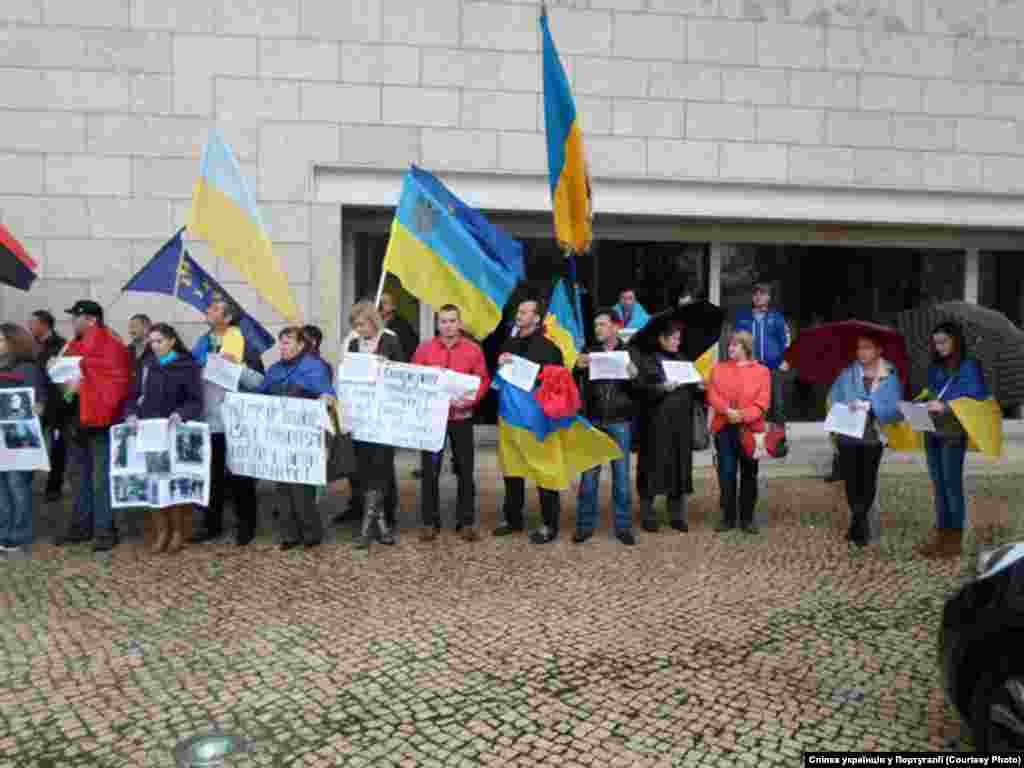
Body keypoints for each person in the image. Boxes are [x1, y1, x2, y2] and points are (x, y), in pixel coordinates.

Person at [53, 301, 133, 553]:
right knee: (78, 478)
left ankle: (104, 530)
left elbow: (116, 382)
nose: (72, 322)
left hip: (101, 422)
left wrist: (82, 383)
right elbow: (66, 382)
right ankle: (81, 526)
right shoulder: (74, 344)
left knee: (101, 480)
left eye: (75, 318)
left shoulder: (110, 343)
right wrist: (64, 381)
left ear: (90, 320)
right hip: (76, 421)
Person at [411, 304, 490, 542]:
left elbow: (483, 380)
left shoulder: (473, 350)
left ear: (460, 323)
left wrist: (470, 401)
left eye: (452, 320)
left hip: (462, 418)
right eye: (444, 321)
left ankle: (465, 522)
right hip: (433, 421)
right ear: (438, 324)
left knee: (465, 470)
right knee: (429, 471)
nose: (448, 325)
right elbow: (413, 379)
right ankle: (429, 522)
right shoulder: (424, 350)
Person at [124, 323, 203, 555]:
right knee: (154, 482)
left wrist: (182, 414)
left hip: (174, 432)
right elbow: (133, 395)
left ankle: (178, 531)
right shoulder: (146, 366)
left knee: (175, 481)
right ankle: (161, 531)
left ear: (171, 341)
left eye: (159, 341)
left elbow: (195, 401)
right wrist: (130, 414)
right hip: (149, 432)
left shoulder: (187, 366)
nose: (155, 346)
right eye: (152, 341)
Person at [191, 297, 264, 546]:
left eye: (214, 308)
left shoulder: (246, 344)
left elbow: (259, 383)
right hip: (210, 421)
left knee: (241, 477)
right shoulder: (202, 343)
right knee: (211, 477)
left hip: (236, 421)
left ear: (228, 318)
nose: (208, 311)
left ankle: (246, 526)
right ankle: (211, 525)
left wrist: (239, 367)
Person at [256, 327, 336, 550]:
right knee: (282, 485)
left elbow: (328, 396)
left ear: (301, 345)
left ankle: (310, 532)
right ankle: (289, 534)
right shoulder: (274, 370)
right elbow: (261, 395)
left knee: (302, 486)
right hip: (279, 435)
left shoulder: (314, 367)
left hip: (305, 436)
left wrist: (326, 399)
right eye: (281, 343)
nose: (283, 347)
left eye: (288, 343)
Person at [494, 298, 566, 544]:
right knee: (512, 470)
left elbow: (559, 384)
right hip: (509, 417)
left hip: (536, 419)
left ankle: (549, 523)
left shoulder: (549, 349)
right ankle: (513, 519)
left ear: (537, 318)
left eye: (525, 312)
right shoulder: (509, 344)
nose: (519, 315)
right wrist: (500, 364)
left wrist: (536, 376)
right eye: (519, 311)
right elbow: (499, 379)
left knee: (544, 471)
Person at [916, 321, 990, 559]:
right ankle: (942, 537)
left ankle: (954, 542)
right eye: (936, 343)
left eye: (943, 342)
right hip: (932, 432)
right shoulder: (936, 367)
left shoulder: (969, 367)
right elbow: (932, 392)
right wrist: (925, 402)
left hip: (953, 434)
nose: (939, 347)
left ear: (955, 340)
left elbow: (976, 397)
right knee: (938, 487)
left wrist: (946, 406)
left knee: (951, 486)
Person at [828, 332, 904, 547]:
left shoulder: (889, 376)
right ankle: (859, 523)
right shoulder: (847, 374)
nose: (862, 352)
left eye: (867, 348)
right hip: (848, 435)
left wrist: (873, 406)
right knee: (851, 481)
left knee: (868, 480)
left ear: (879, 350)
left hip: (873, 437)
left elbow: (895, 411)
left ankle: (858, 523)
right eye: (860, 348)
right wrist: (848, 404)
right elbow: (834, 399)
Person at [573, 308, 638, 546]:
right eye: (596, 325)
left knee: (621, 478)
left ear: (615, 327)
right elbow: (573, 380)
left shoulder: (630, 352)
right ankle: (584, 526)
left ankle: (623, 527)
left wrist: (635, 375)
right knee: (588, 477)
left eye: (602, 324)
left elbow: (640, 390)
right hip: (593, 419)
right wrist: (578, 366)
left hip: (620, 421)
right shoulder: (589, 351)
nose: (597, 329)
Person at [632, 315, 699, 533]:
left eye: (679, 338)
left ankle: (676, 514)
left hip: (680, 425)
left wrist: (698, 386)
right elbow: (640, 388)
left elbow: (693, 393)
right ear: (662, 339)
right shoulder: (648, 359)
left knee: (678, 468)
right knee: (652, 467)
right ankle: (648, 514)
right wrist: (662, 387)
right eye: (674, 338)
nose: (677, 342)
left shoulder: (683, 359)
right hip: (655, 425)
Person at [347, 300, 405, 548]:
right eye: (356, 325)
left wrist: (388, 367)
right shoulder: (352, 344)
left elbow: (404, 373)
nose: (359, 330)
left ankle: (375, 524)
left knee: (382, 468)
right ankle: (376, 525)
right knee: (365, 469)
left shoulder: (390, 340)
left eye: (362, 324)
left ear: (373, 321)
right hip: (362, 415)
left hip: (385, 415)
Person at [707, 331, 771, 533]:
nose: (730, 348)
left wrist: (742, 415)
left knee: (749, 474)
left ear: (746, 347)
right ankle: (727, 518)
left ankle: (747, 519)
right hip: (724, 428)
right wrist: (727, 411)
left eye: (735, 345)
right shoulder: (718, 369)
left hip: (751, 430)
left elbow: (763, 402)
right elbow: (712, 394)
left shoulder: (762, 371)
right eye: (730, 345)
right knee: (726, 474)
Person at [0, 324, 46, 554]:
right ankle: (4, 531)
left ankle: (18, 534)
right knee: (2, 487)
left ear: (13, 343)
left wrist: (36, 406)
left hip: (18, 437)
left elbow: (37, 403)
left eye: (1, 340)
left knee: (17, 485)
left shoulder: (27, 369)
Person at [734, 277, 791, 427]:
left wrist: (786, 360)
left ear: (769, 297)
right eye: (756, 293)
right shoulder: (743, 318)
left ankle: (778, 442)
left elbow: (786, 340)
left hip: (773, 367)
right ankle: (749, 441)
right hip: (750, 367)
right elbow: (736, 342)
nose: (759, 296)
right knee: (749, 403)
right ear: (752, 297)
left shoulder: (777, 317)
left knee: (777, 404)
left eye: (763, 293)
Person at [29, 310, 69, 502]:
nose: (30, 326)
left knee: (57, 446)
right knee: (27, 443)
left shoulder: (61, 345)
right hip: (33, 404)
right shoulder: (30, 345)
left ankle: (54, 486)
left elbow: (63, 377)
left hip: (55, 406)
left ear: (44, 324)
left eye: (33, 323)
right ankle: (25, 482)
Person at [380, 291, 419, 363]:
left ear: (393, 306)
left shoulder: (402, 326)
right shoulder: (372, 325)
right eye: (380, 302)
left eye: (385, 302)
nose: (381, 305)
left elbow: (410, 350)